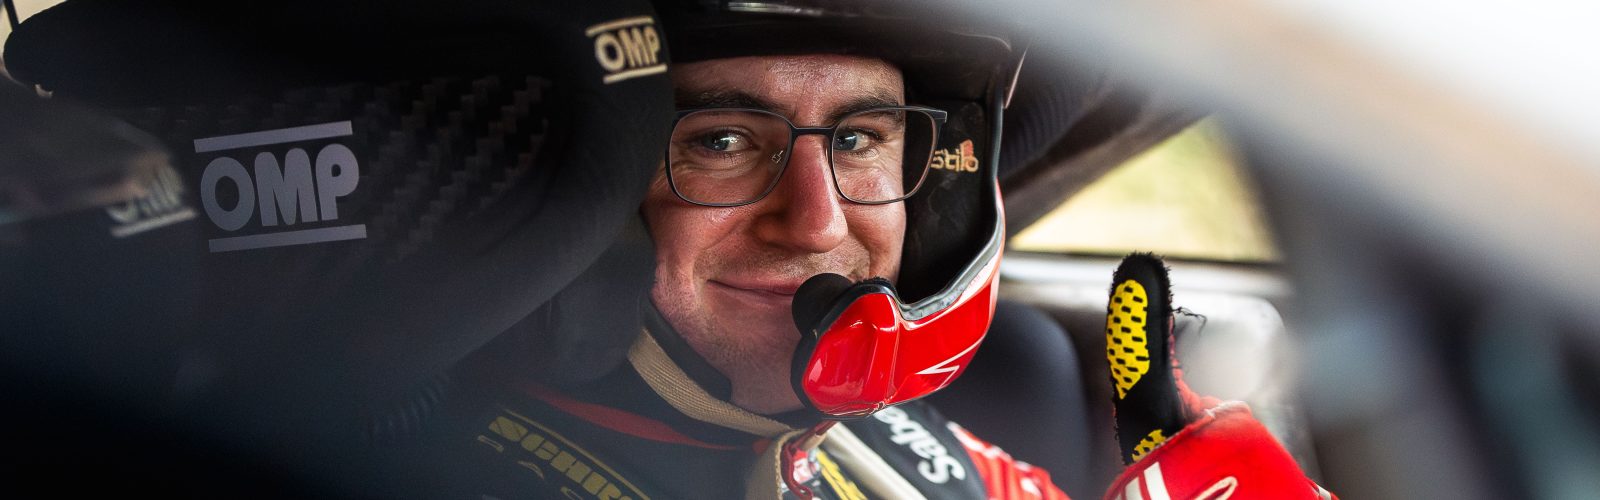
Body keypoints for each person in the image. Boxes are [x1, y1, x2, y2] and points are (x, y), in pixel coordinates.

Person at [428, 2, 1335, 499]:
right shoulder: (423, 464)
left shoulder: (880, 439)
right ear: (573, 188)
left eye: (860, 139)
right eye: (721, 141)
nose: (818, 224)